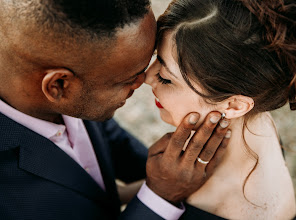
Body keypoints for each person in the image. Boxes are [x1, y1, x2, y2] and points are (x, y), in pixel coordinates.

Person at [0, 0, 232, 219]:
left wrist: (174, 169)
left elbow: (111, 140)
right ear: (58, 85)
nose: (145, 80)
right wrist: (161, 197)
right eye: (128, 78)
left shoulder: (79, 96)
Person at [145, 0, 296, 219]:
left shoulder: (223, 210)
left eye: (166, 78)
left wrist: (157, 195)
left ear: (235, 105)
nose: (148, 77)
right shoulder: (255, 121)